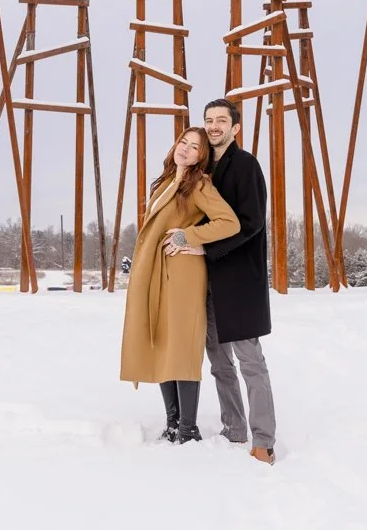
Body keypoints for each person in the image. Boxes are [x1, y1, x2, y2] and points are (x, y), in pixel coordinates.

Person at [166, 98, 277, 465]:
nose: (213, 126)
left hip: (239, 278)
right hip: (206, 280)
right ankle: (233, 427)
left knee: (250, 361)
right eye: (208, 120)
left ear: (235, 128)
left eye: (221, 121)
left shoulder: (245, 165)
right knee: (218, 362)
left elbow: (251, 223)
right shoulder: (202, 168)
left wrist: (203, 249)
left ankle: (263, 439)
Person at [119, 126, 241, 444]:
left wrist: (192, 237)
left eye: (194, 147)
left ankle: (188, 428)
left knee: (183, 346)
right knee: (162, 341)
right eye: (182, 142)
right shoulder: (165, 181)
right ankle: (172, 422)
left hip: (183, 272)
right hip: (159, 271)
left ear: (202, 156)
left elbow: (229, 221)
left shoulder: (199, 184)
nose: (185, 149)